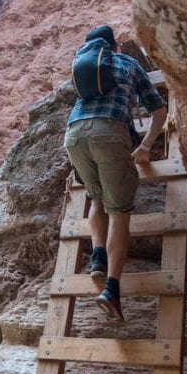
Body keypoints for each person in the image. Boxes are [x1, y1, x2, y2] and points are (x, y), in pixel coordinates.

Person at [64, 24, 168, 322]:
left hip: (74, 137)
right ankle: (111, 289)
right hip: (109, 132)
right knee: (119, 212)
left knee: (96, 198)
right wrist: (147, 145)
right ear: (115, 48)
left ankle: (98, 259)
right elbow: (158, 111)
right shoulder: (127, 62)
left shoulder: (83, 69)